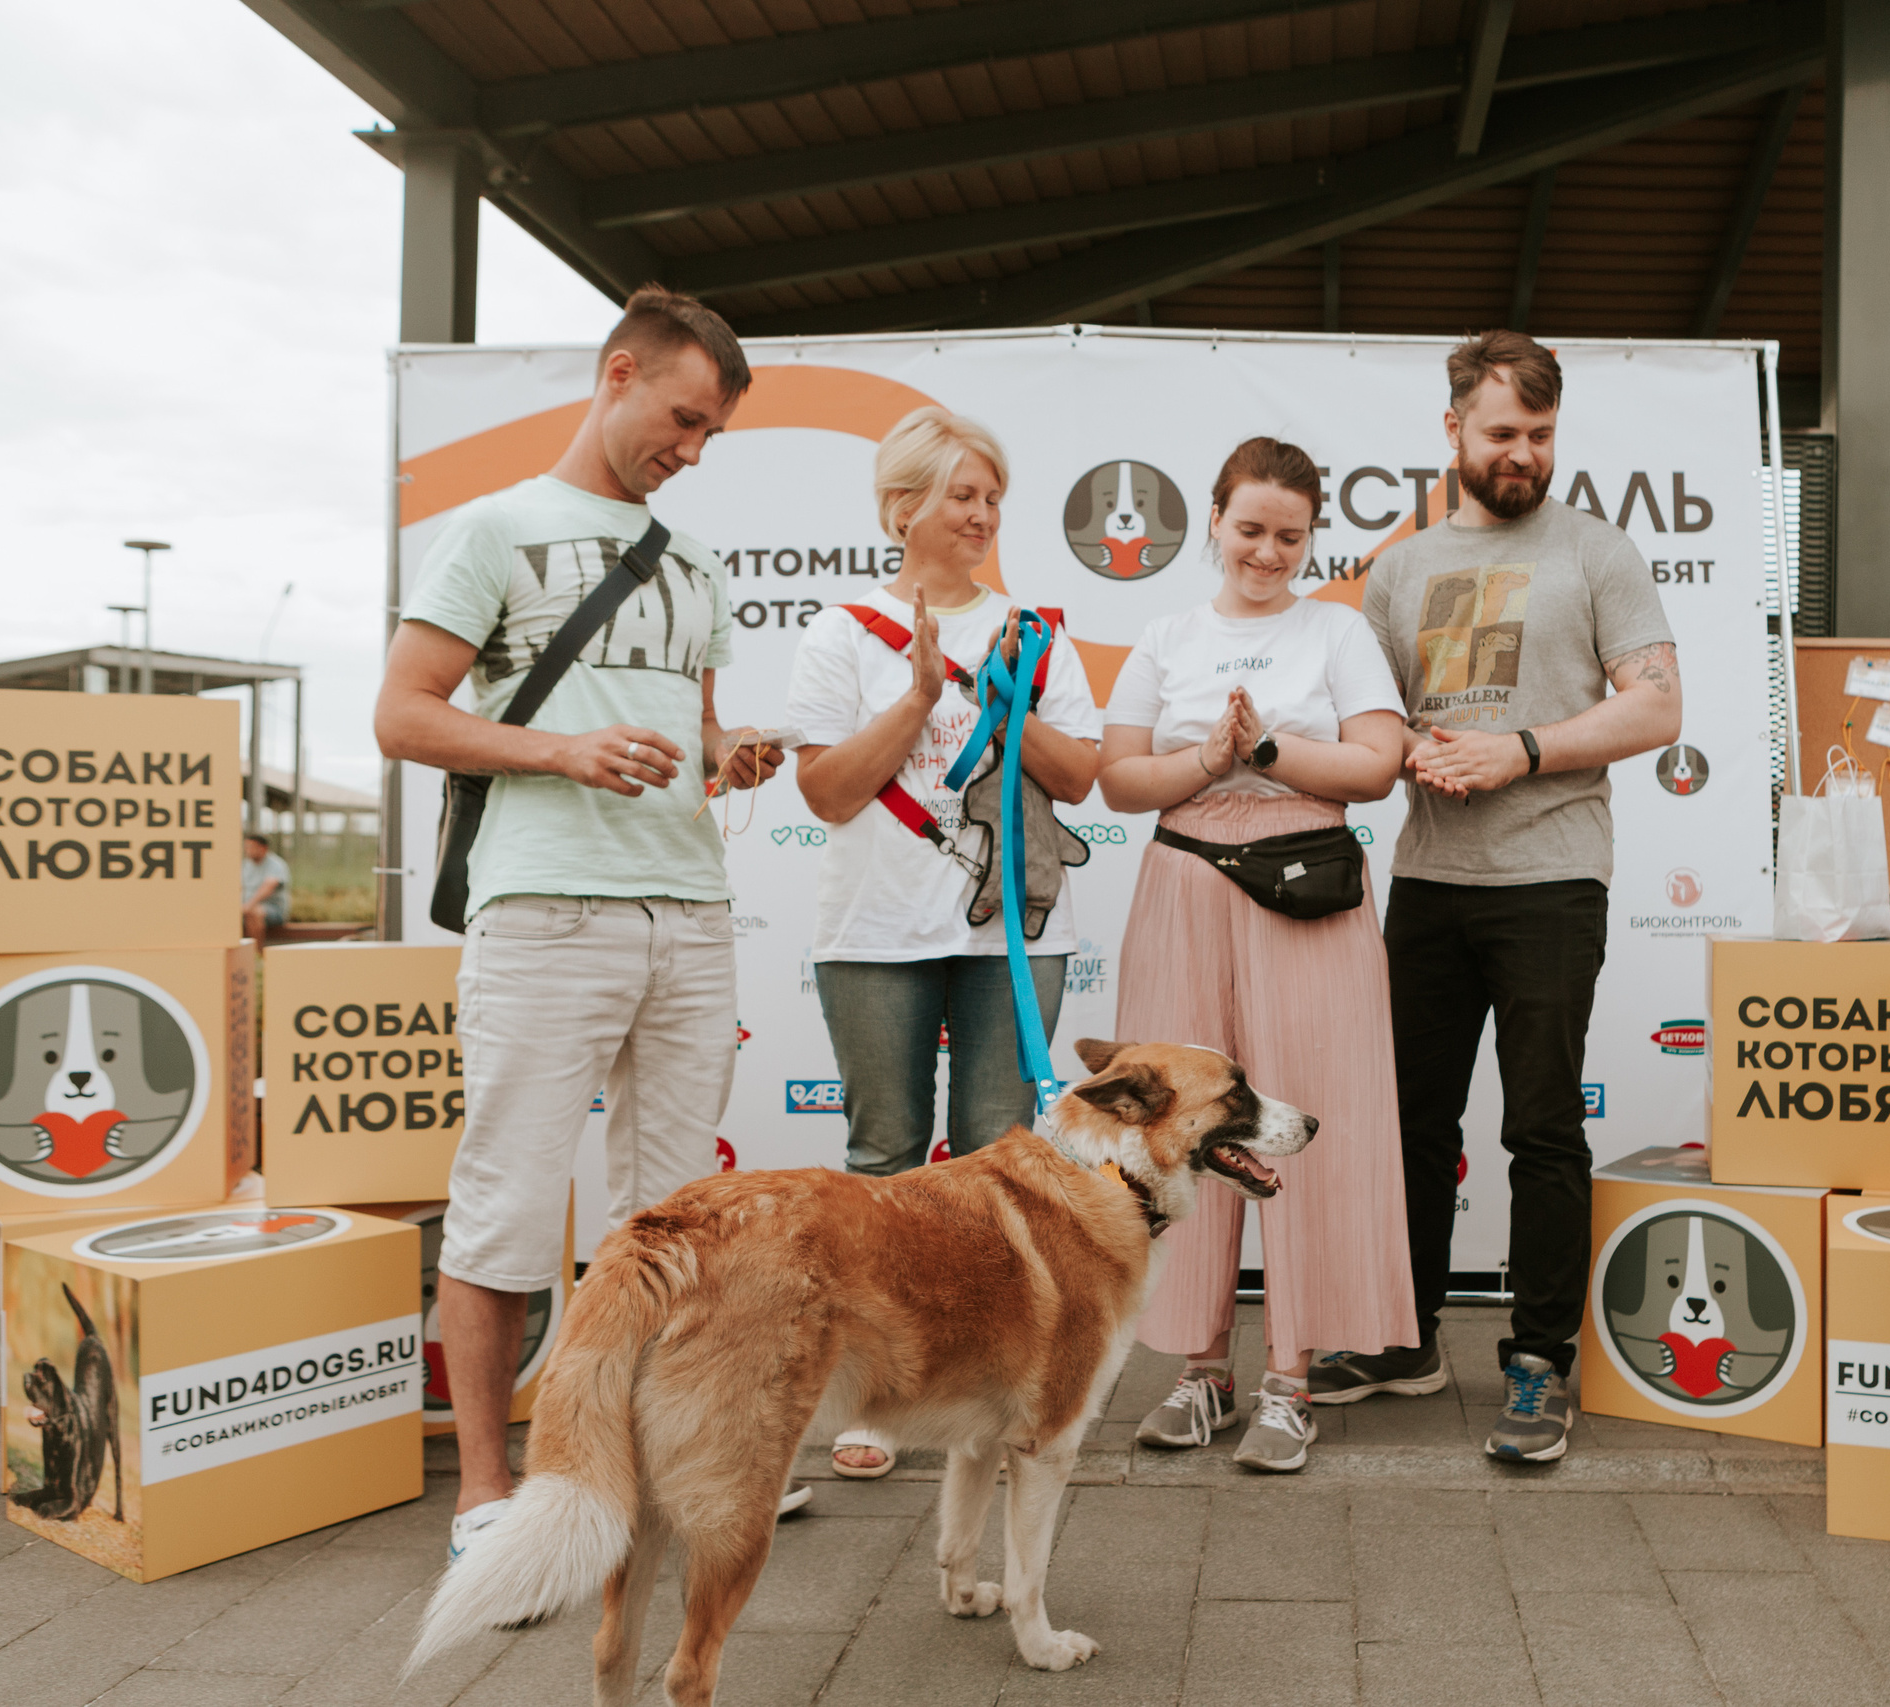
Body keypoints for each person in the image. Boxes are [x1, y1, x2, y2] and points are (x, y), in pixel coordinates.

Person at [374, 284, 781, 1557]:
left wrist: (732, 754)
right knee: (505, 1205)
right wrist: (561, 750)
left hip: (691, 913)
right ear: (618, 376)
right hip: (545, 908)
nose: (693, 451)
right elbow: (401, 714)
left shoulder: (697, 562)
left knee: (670, 1226)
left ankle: (638, 1466)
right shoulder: (494, 528)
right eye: (683, 419)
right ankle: (486, 1495)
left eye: (711, 434)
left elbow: (697, 733)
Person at [1319, 330, 1684, 1464]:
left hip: (1552, 879)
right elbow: (1371, 723)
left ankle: (1538, 1362)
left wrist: (1517, 750)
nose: (1522, 453)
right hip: (1429, 881)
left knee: (1541, 1128)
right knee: (1410, 1123)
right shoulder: (1400, 570)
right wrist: (1405, 751)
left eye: (1540, 433)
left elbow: (1658, 707)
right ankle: (1404, 1337)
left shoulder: (1597, 551)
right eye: (1501, 433)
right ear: (1452, 432)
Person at [779, 405, 1102, 1478]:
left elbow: (1079, 775)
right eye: (962, 495)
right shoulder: (841, 632)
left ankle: (984, 1386)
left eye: (992, 497)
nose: (982, 514)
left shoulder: (1031, 632)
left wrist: (1005, 701)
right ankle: (870, 1394)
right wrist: (919, 696)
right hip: (875, 931)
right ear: (901, 506)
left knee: (996, 1170)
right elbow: (827, 792)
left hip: (1011, 934)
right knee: (883, 1161)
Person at [1100, 436, 1416, 1473]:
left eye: (1290, 535)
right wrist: (1208, 758)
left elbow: (1377, 763)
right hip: (1182, 885)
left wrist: (1268, 751)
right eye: (1250, 530)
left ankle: (1292, 1379)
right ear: (1215, 521)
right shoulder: (1167, 636)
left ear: (1311, 535)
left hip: (1305, 890)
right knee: (1176, 1120)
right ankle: (1201, 1372)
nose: (1268, 553)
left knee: (1313, 1113)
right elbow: (1119, 778)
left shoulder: (1337, 631)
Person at [240, 832, 289, 941]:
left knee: (254, 912)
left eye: (251, 847)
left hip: (274, 910)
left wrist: (248, 906)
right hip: (246, 908)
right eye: (246, 847)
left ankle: (257, 950)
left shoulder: (276, 865)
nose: (247, 850)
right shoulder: (245, 865)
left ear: (263, 848)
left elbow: (268, 887)